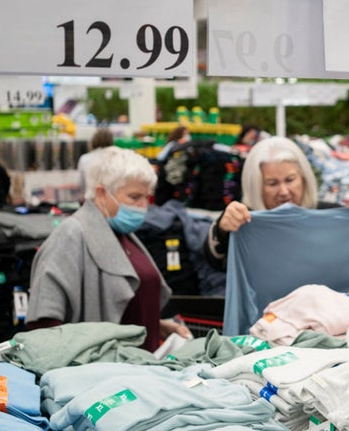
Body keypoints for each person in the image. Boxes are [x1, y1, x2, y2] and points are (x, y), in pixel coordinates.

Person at [26, 146, 191, 351]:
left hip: (138, 369)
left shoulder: (122, 234)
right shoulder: (71, 235)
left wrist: (157, 327)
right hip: (103, 375)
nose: (143, 206)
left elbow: (126, 306)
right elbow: (44, 322)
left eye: (146, 197)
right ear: (102, 193)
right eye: (134, 197)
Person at [205, 136, 323, 271]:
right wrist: (222, 229)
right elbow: (216, 261)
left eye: (290, 180)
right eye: (272, 183)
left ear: (304, 179)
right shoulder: (244, 223)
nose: (284, 191)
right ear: (256, 186)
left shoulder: (328, 216)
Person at [77, 127, 114, 192]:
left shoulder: (84, 158)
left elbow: (81, 184)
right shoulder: (117, 157)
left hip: (91, 197)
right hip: (112, 197)